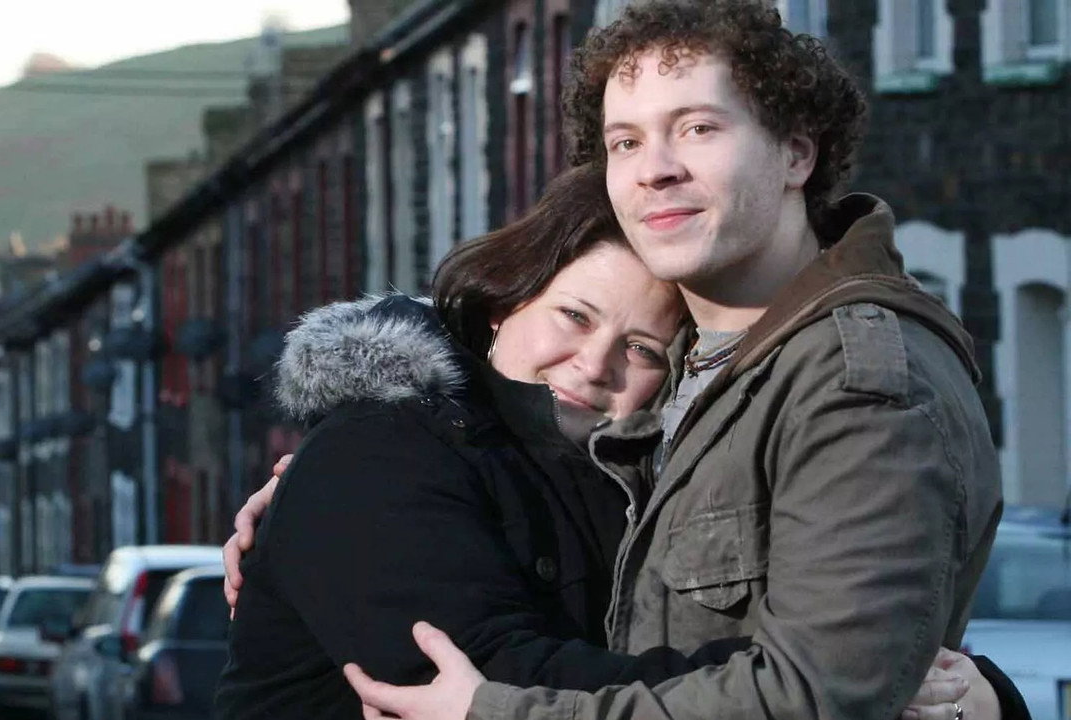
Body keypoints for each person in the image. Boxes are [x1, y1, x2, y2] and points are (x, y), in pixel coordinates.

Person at [337, 2, 1018, 719]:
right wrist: (345, 482)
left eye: (698, 128)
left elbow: (812, 697)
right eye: (626, 142)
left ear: (797, 153)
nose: (654, 171)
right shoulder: (676, 364)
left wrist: (500, 714)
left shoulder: (855, 380)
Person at [213, 165, 1004, 720]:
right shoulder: (375, 454)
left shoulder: (634, 484)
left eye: (643, 349)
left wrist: (973, 692)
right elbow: (494, 673)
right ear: (506, 302)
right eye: (574, 316)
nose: (594, 365)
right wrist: (839, 685)